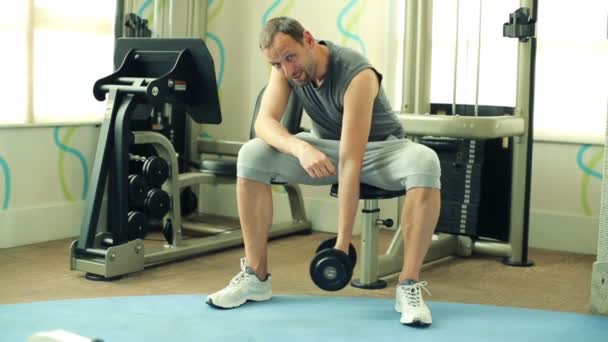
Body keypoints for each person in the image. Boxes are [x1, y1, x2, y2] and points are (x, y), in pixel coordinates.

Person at [205, 16, 441, 327]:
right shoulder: (285, 70)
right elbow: (265, 123)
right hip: (324, 147)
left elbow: (350, 161)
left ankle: (408, 286)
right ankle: (255, 276)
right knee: (252, 155)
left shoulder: (358, 74)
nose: (287, 70)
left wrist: (342, 243)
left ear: (308, 39)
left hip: (381, 151)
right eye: (277, 65)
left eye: (291, 57)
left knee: (425, 162)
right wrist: (301, 147)